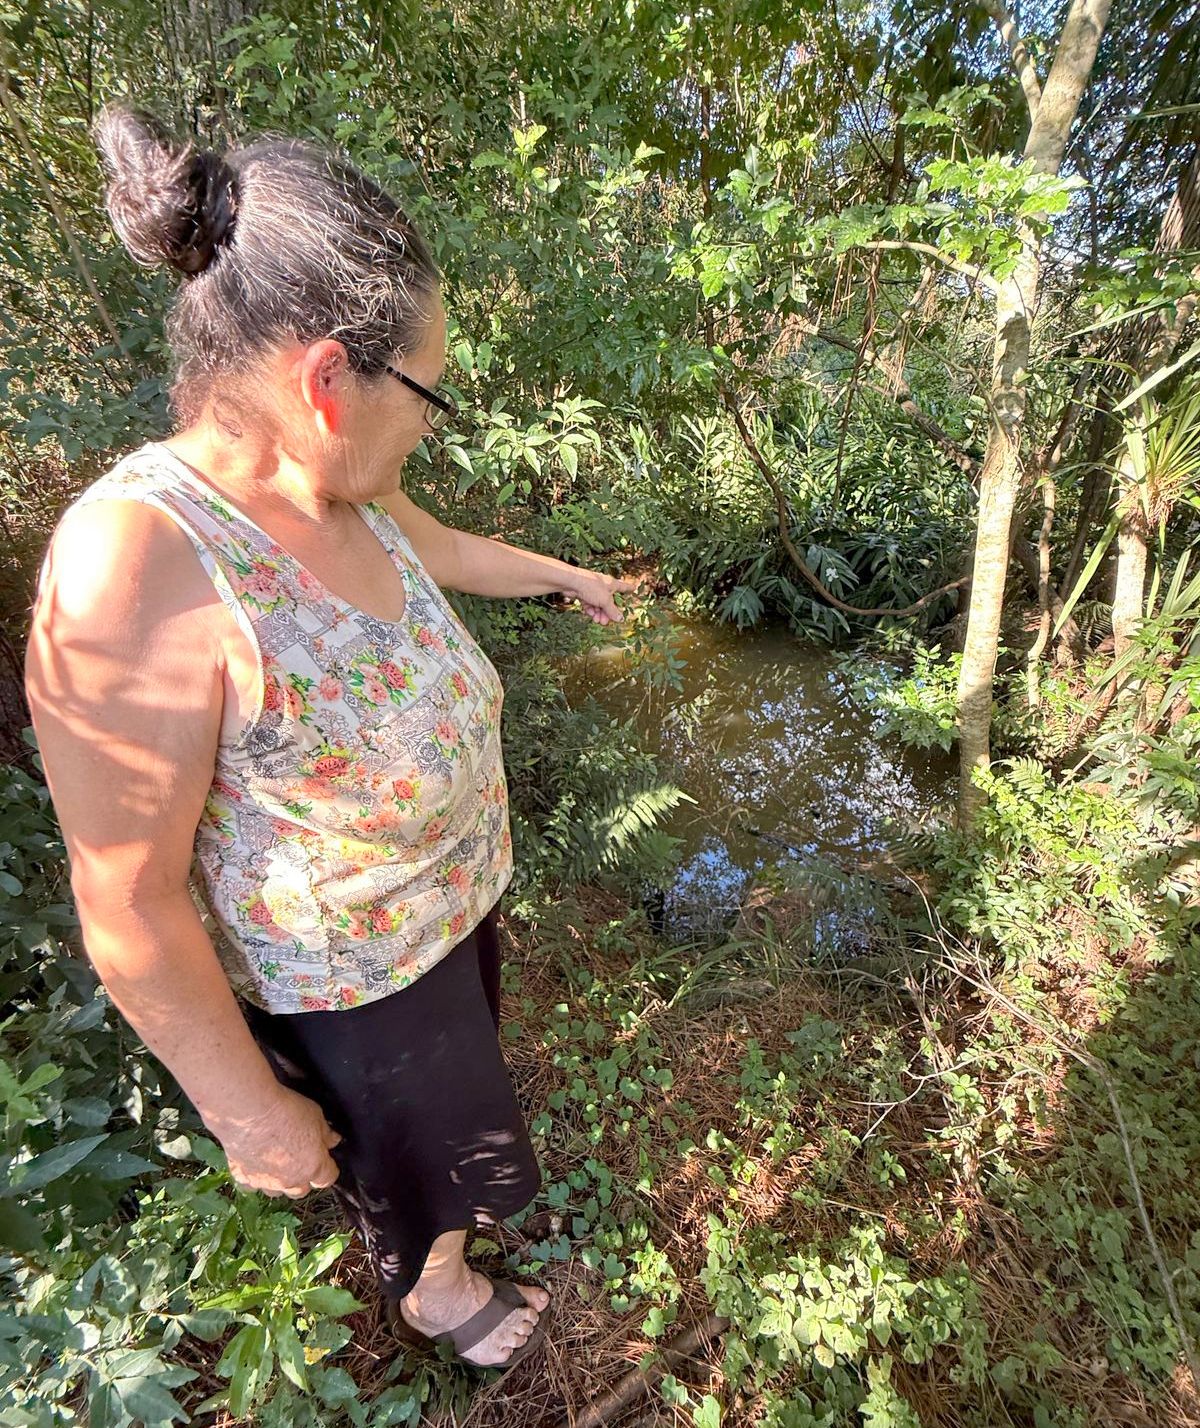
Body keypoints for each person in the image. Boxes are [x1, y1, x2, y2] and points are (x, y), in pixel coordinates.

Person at [24, 105, 638, 1371]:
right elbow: (127, 899)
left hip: (449, 913)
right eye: (427, 392)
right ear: (325, 380)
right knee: (409, 1156)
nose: (431, 418)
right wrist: (245, 1110)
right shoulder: (139, 559)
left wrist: (561, 574)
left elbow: (440, 548)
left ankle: (445, 1248)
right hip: (354, 988)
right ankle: (438, 1298)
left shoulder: (339, 482)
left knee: (458, 1111)